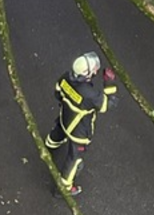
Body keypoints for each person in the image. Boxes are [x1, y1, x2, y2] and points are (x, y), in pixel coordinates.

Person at [43, 51, 118, 196]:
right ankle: (64, 188)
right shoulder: (89, 95)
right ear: (86, 74)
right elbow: (108, 105)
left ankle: (49, 145)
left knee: (58, 131)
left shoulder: (66, 77)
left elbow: (58, 93)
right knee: (74, 159)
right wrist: (109, 84)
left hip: (65, 117)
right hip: (79, 132)